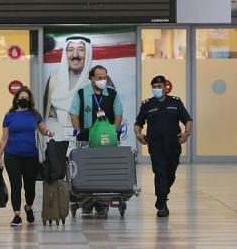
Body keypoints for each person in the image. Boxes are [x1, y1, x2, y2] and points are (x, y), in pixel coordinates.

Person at [0, 86, 55, 226]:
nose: (24, 100)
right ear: (16, 99)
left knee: (29, 186)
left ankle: (28, 207)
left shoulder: (34, 114)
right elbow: (4, 138)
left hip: (30, 156)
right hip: (12, 155)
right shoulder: (9, 116)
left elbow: (42, 129)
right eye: (21, 98)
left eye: (26, 98)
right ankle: (17, 215)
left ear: (30, 100)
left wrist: (48, 132)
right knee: (15, 185)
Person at [135, 75, 193, 218]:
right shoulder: (147, 104)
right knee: (160, 172)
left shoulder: (176, 102)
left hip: (173, 145)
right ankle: (162, 204)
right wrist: (138, 134)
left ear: (165, 87)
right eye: (154, 87)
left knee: (170, 174)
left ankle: (162, 195)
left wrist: (186, 133)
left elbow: (188, 120)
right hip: (156, 145)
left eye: (159, 86)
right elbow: (138, 123)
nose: (156, 89)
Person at [70, 65, 123, 216]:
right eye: (99, 78)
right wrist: (78, 131)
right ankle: (87, 203)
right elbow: (73, 113)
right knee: (87, 170)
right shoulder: (81, 93)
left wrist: (114, 130)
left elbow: (118, 113)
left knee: (104, 170)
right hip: (87, 138)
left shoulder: (112, 94)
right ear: (91, 78)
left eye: (104, 77)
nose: (102, 80)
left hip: (107, 140)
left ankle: (101, 203)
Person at [43, 36, 93, 140]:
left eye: (81, 50)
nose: (75, 55)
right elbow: (46, 114)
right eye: (70, 50)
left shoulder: (96, 80)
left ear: (88, 53)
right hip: (58, 141)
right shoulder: (54, 80)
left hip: (87, 140)